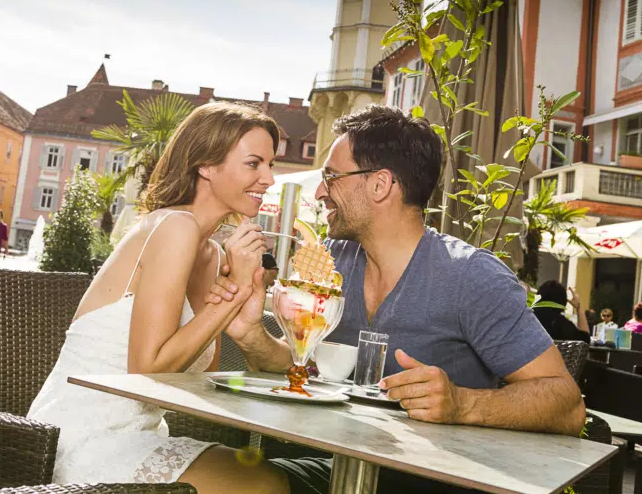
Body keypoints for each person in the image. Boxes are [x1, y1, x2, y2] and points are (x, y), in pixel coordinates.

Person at [206, 106, 585, 494]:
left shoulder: (470, 277)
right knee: (213, 473)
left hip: (438, 481)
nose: (321, 192)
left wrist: (463, 404)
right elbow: (298, 363)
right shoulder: (336, 261)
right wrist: (251, 333)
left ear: (380, 185)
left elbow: (566, 403)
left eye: (332, 178)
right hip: (342, 470)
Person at [27, 102, 290, 493]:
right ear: (206, 165)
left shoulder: (211, 253)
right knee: (264, 485)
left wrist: (241, 299)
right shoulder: (174, 227)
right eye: (255, 163)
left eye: (270, 164)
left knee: (268, 478)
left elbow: (196, 378)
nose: (268, 178)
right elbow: (146, 369)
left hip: (142, 435)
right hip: (79, 440)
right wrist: (231, 295)